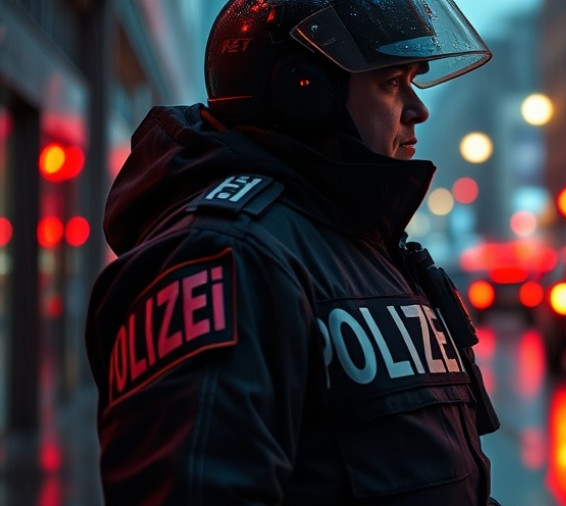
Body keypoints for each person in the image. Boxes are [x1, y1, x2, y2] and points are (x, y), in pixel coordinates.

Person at [84, 0, 501, 504]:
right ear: (306, 93)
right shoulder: (224, 256)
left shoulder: (364, 244)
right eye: (393, 83)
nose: (418, 109)